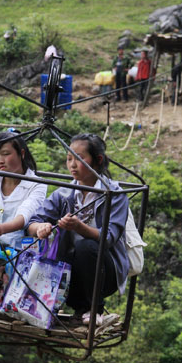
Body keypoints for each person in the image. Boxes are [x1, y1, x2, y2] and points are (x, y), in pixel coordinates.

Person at [27, 133, 129, 326]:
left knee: (86, 247)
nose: (72, 164)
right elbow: (33, 221)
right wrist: (40, 227)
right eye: (69, 158)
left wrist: (80, 227)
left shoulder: (114, 195)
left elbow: (109, 237)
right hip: (70, 272)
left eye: (80, 159)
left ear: (98, 160)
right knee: (56, 254)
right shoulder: (64, 194)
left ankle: (95, 308)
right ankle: (75, 307)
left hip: (104, 272)